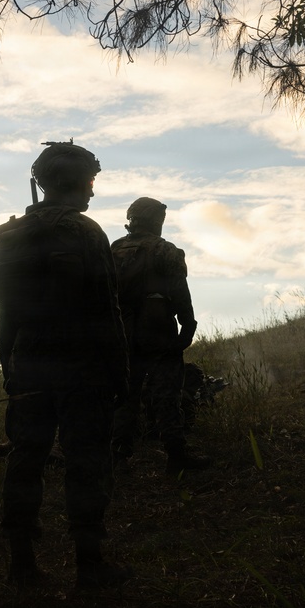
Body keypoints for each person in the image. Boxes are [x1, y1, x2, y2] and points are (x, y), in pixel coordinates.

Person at [0, 141, 131, 589]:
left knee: (25, 458)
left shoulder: (12, 236)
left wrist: (8, 364)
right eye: (90, 179)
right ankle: (90, 565)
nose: (92, 189)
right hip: (83, 365)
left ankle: (22, 564)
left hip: (29, 362)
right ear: (75, 181)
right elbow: (108, 310)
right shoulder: (86, 233)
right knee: (86, 461)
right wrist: (120, 372)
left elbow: (5, 311)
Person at [110, 197, 211, 475]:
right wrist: (187, 326)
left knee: (125, 395)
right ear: (157, 221)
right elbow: (180, 291)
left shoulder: (114, 249)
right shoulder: (165, 250)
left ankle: (118, 457)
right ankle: (176, 456)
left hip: (123, 331)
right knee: (167, 394)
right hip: (157, 329)